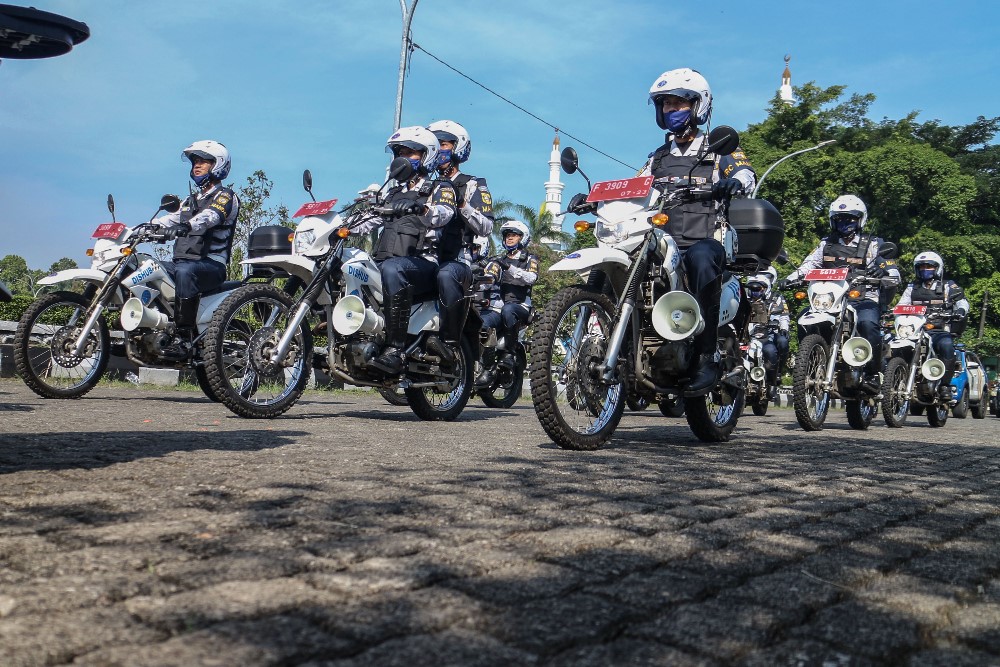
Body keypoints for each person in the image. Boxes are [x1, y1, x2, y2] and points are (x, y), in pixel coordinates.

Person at [629, 67, 756, 394]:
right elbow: (634, 188)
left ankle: (706, 357)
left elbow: (746, 174)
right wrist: (596, 196)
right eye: (666, 104)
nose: (672, 110)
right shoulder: (656, 158)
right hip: (662, 243)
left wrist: (732, 183)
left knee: (701, 258)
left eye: (679, 103)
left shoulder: (718, 149)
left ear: (698, 106)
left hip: (705, 240)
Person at [352, 126, 458, 375]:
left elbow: (444, 214)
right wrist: (340, 227)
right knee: (347, 265)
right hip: (389, 261)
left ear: (426, 155)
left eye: (410, 152)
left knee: (393, 268)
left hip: (423, 263)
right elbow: (368, 221)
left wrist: (421, 209)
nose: (403, 157)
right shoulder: (392, 192)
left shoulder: (439, 188)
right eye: (400, 152)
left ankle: (395, 350)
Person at [779, 195, 901, 389]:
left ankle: (871, 374)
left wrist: (883, 271)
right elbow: (808, 266)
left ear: (860, 219)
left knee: (868, 323)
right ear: (833, 220)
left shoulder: (873, 244)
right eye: (840, 219)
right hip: (830, 299)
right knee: (803, 317)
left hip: (862, 297)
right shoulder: (825, 244)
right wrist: (789, 278)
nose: (845, 223)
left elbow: (894, 273)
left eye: (850, 219)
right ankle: (811, 362)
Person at [154, 140, 240, 359]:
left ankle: (184, 340)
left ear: (218, 165)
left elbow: (210, 216)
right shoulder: (189, 201)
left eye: (203, 161)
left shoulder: (226, 196)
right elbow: (169, 220)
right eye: (195, 162)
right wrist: (134, 230)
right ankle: (157, 327)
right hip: (183, 262)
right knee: (146, 267)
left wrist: (188, 225)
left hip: (211, 266)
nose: (197, 166)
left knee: (185, 272)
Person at [425, 120, 495, 364]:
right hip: (421, 255)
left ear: (458, 147)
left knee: (446, 275)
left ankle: (450, 344)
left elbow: (486, 226)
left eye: (443, 144)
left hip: (456, 258)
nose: (438, 149)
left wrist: (462, 205)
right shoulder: (422, 183)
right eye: (434, 144)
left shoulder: (473, 184)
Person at [896, 251, 970, 401]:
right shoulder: (912, 287)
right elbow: (900, 306)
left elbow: (962, 301)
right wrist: (892, 313)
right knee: (891, 346)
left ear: (938, 268)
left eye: (929, 266)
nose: (925, 269)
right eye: (922, 266)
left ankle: (944, 386)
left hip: (938, 330)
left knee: (947, 346)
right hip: (914, 331)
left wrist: (961, 310)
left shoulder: (948, 286)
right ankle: (893, 377)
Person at [475, 220, 538, 387]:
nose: (509, 238)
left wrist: (509, 268)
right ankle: (487, 368)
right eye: (507, 235)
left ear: (522, 238)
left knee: (509, 310)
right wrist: (480, 278)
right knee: (482, 323)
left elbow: (532, 277)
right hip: (501, 307)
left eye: (514, 235)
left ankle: (509, 354)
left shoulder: (530, 258)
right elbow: (490, 279)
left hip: (521, 306)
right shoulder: (498, 261)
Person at [745, 266, 790, 400]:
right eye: (752, 289)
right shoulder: (743, 299)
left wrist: (783, 328)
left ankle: (772, 382)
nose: (755, 292)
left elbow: (783, 316)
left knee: (772, 351)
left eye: (758, 289)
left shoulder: (776, 298)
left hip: (766, 335)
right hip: (745, 336)